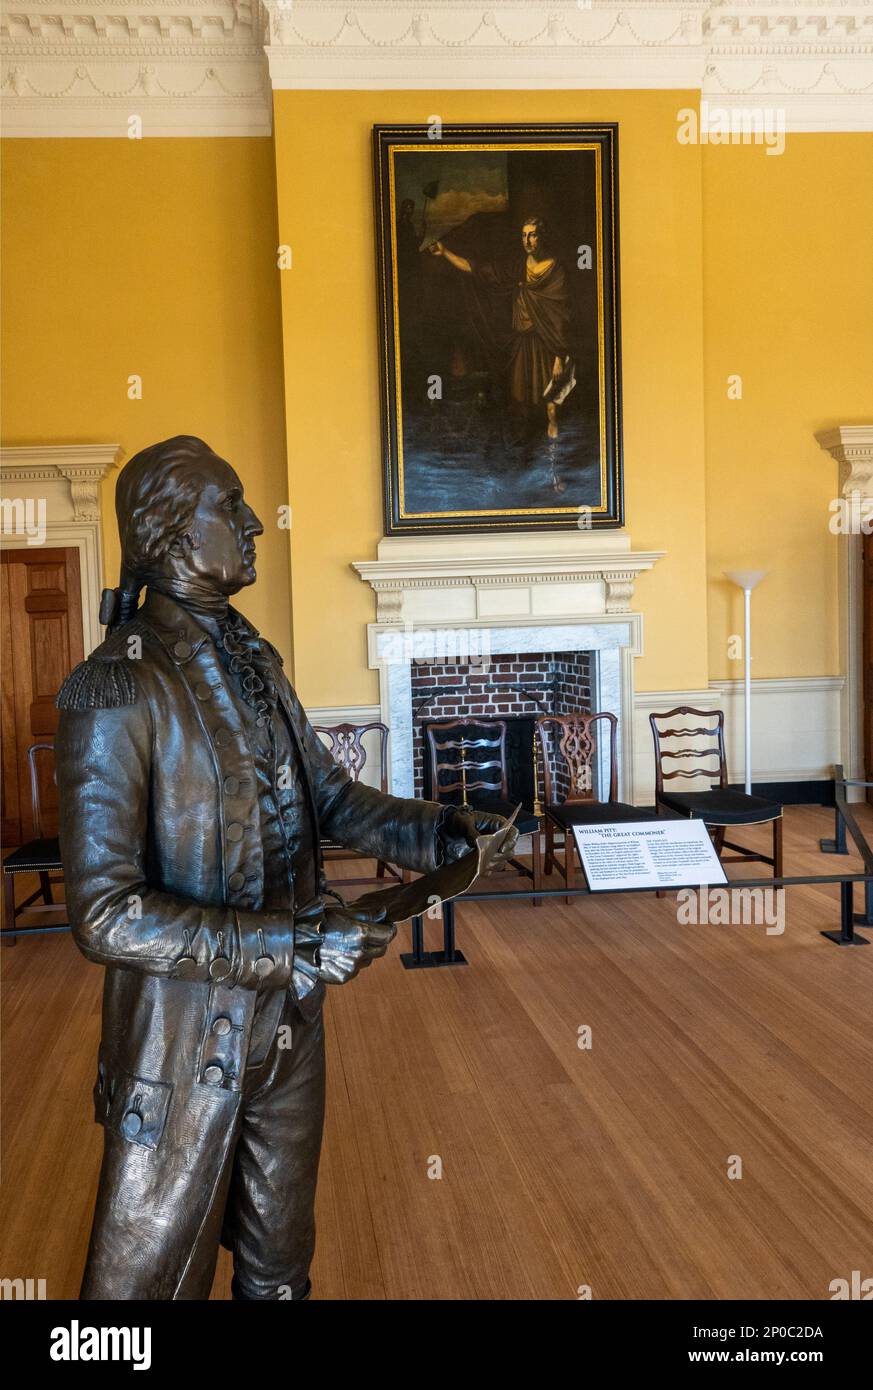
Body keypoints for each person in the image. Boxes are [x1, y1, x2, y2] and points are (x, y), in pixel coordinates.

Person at [54, 435, 516, 1300]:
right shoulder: (114, 687)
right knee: (145, 1292)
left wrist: (444, 830)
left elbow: (331, 799)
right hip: (184, 1044)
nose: (256, 522)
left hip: (288, 1027)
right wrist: (294, 944)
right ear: (168, 534)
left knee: (278, 1269)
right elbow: (106, 916)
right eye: (230, 506)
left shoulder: (255, 661)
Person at [428, 215, 576, 443]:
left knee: (551, 406)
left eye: (532, 235)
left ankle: (553, 452)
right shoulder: (518, 267)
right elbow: (476, 268)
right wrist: (445, 252)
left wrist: (559, 356)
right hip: (521, 345)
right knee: (518, 400)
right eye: (524, 235)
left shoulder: (556, 272)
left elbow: (562, 318)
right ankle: (522, 452)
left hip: (547, 346)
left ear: (542, 236)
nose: (527, 240)